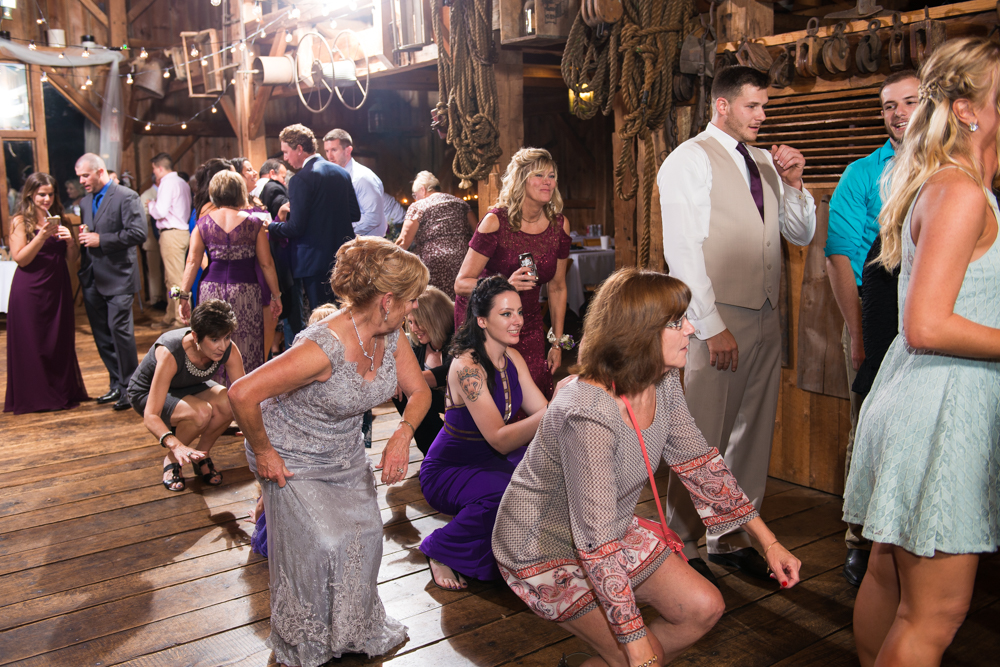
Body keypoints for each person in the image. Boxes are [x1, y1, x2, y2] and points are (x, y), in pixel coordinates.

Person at [493, 268, 802, 667]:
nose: (691, 328)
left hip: (605, 531)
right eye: (677, 322)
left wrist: (769, 542)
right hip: (542, 546)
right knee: (641, 656)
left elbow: (700, 465)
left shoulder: (662, 381)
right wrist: (636, 645)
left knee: (704, 606)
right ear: (637, 333)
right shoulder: (586, 413)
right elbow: (596, 543)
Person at [843, 37, 1000, 666]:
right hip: (940, 408)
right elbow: (928, 324)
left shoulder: (944, 183)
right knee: (934, 614)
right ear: (968, 108)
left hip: (909, 396)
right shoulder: (960, 191)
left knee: (887, 574)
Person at [228, 237, 431, 666]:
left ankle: (351, 630)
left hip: (342, 450)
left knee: (365, 537)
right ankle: (304, 640)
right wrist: (263, 452)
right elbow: (242, 393)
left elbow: (419, 392)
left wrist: (402, 433)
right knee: (324, 541)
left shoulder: (392, 335)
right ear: (387, 300)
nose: (416, 308)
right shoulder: (323, 347)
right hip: (289, 450)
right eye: (412, 300)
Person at [656, 66, 816, 584]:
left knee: (751, 434)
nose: (762, 116)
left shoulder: (767, 163)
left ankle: (729, 538)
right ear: (722, 105)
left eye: (764, 106)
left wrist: (794, 186)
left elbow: (799, 233)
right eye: (754, 106)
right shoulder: (688, 160)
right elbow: (682, 248)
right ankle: (675, 543)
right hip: (718, 319)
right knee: (699, 435)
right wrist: (709, 324)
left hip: (768, 315)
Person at [825, 70, 920, 587]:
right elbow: (840, 257)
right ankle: (858, 537)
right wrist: (857, 335)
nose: (898, 113)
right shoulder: (861, 173)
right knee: (870, 422)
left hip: (930, 312)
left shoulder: (944, 168)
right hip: (873, 314)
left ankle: (907, 534)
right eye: (888, 106)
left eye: (909, 102)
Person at [419, 276, 550, 589]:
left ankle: (517, 550)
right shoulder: (467, 367)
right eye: (506, 314)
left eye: (518, 312)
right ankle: (440, 549)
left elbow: (542, 413)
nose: (517, 320)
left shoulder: (512, 358)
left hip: (493, 460)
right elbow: (500, 438)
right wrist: (557, 408)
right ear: (481, 320)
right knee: (505, 491)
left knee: (545, 478)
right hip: (451, 468)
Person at [454, 148, 571, 399]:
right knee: (496, 392)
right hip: (487, 322)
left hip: (527, 321)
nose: (547, 182)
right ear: (521, 179)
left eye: (551, 176)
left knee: (534, 387)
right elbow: (461, 283)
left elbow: (558, 286)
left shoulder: (558, 225)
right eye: (539, 175)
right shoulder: (495, 221)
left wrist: (557, 343)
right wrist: (504, 286)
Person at [128, 299, 245, 492]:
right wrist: (175, 445)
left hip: (188, 386)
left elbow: (243, 393)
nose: (222, 346)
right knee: (201, 413)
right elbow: (151, 415)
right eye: (214, 339)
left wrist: (253, 426)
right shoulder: (171, 351)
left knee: (229, 402)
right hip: (148, 393)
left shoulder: (228, 349)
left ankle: (202, 455)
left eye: (226, 337)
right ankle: (172, 460)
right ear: (195, 336)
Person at [178, 171, 281, 379]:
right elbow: (266, 263)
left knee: (213, 339)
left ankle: (214, 392)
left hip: (211, 289)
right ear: (239, 192)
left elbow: (192, 262)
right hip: (245, 289)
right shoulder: (254, 224)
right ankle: (245, 394)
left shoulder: (203, 224)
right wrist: (276, 296)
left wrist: (183, 296)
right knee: (246, 343)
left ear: (214, 193)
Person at [4, 173, 89, 414]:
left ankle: (60, 390)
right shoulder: (20, 221)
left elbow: (72, 260)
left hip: (57, 287)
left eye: (51, 194)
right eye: (42, 194)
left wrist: (71, 243)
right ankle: (35, 394)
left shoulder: (61, 219)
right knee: (33, 341)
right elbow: (21, 259)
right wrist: (41, 236)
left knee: (57, 339)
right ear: (31, 194)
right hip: (29, 289)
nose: (47, 199)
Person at [269, 124, 360, 330]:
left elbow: (296, 228)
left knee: (323, 321)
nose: (285, 158)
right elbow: (355, 213)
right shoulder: (341, 173)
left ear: (299, 149)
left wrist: (272, 227)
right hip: (343, 257)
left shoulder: (301, 179)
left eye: (286, 152)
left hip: (314, 262)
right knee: (345, 316)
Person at [75, 153, 146, 411]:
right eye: (79, 176)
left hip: (119, 276)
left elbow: (138, 232)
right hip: (92, 275)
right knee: (101, 334)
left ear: (100, 171)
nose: (81, 180)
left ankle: (131, 388)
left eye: (85, 175)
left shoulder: (127, 196)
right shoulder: (84, 202)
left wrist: (101, 240)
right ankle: (115, 383)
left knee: (120, 332)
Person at [393, 286, 455, 455]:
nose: (413, 328)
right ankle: (434, 451)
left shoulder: (458, 336)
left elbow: (451, 372)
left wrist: (410, 379)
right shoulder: (417, 344)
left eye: (418, 322)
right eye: (410, 322)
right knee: (402, 392)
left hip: (464, 403)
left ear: (435, 318)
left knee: (407, 384)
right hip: (438, 401)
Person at [396, 170, 476, 300]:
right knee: (460, 302)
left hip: (434, 263)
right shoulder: (461, 203)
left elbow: (403, 242)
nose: (414, 198)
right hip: (463, 261)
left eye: (415, 194)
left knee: (436, 304)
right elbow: (477, 232)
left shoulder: (419, 206)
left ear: (422, 189)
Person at [231, 156, 279, 360]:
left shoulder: (256, 201)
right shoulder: (233, 210)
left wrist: (279, 221)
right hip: (251, 267)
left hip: (267, 262)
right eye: (248, 170)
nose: (254, 173)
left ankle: (263, 363)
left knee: (269, 323)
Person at [148, 152, 193, 330]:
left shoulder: (167, 183)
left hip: (172, 233)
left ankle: (179, 319)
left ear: (159, 168)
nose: (154, 172)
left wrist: (151, 204)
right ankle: (169, 315)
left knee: (175, 279)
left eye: (153, 168)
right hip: (182, 231)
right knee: (170, 278)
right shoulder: (182, 182)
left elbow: (160, 211)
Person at [324, 128, 387, 238]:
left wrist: (340, 230)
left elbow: (373, 218)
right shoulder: (334, 177)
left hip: (367, 247)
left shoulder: (362, 178)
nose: (329, 156)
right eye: (327, 151)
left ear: (348, 150)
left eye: (334, 150)